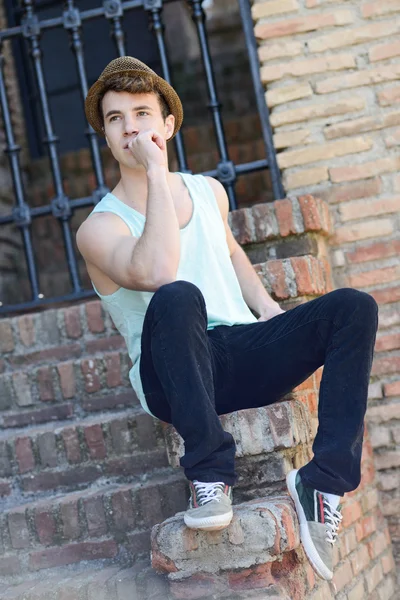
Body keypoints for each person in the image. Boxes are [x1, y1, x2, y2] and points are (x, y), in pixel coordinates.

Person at [77, 56, 378, 582]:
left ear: (168, 124)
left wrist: (267, 310)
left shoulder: (207, 191)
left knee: (354, 307)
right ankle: (210, 474)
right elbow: (156, 269)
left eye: (142, 113)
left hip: (239, 352)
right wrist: (153, 171)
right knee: (177, 295)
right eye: (115, 118)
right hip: (173, 375)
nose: (131, 127)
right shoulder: (99, 227)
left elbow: (232, 253)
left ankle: (324, 482)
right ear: (105, 135)